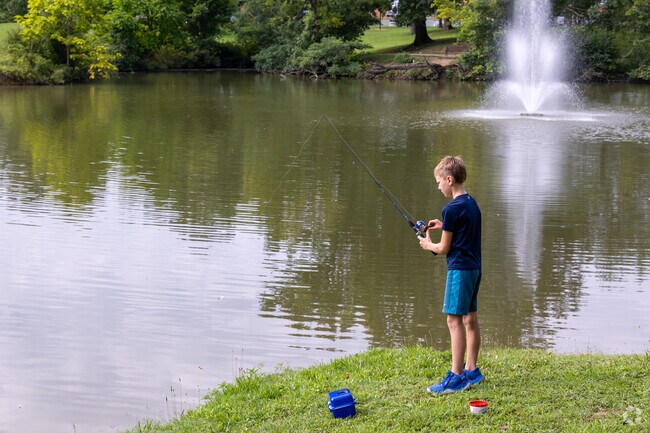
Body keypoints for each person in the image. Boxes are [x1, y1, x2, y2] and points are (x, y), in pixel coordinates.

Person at [418, 155, 484, 395]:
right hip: (475, 268)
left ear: (449, 179)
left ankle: (456, 377)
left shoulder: (451, 209)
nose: (438, 186)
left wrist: (428, 244)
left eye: (439, 182)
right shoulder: (471, 203)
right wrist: (443, 223)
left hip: (459, 270)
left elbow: (444, 248)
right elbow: (461, 228)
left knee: (454, 321)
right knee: (470, 319)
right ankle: (472, 371)